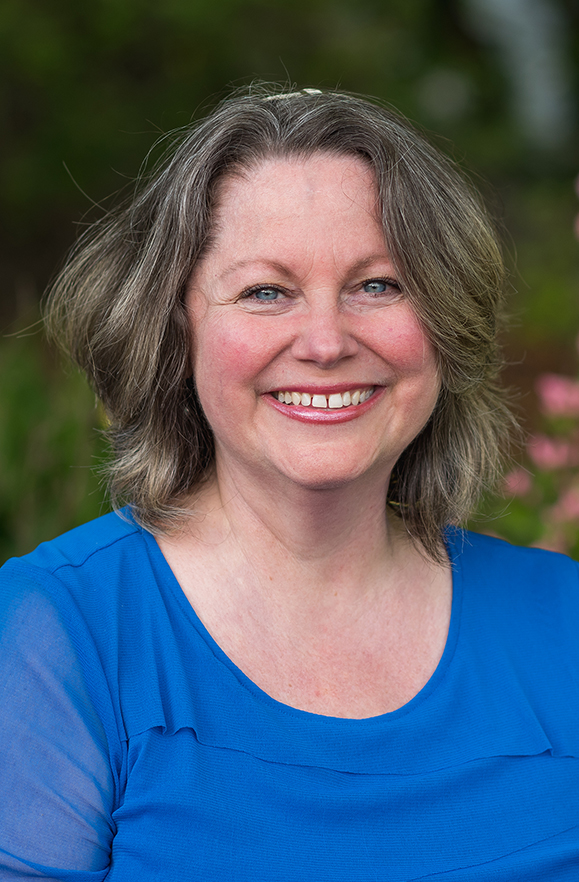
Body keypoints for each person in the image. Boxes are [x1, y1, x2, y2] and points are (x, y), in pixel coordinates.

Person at [1, 86, 578, 881]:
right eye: (265, 291)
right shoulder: (61, 636)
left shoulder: (563, 621)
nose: (325, 341)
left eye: (378, 285)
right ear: (177, 327)